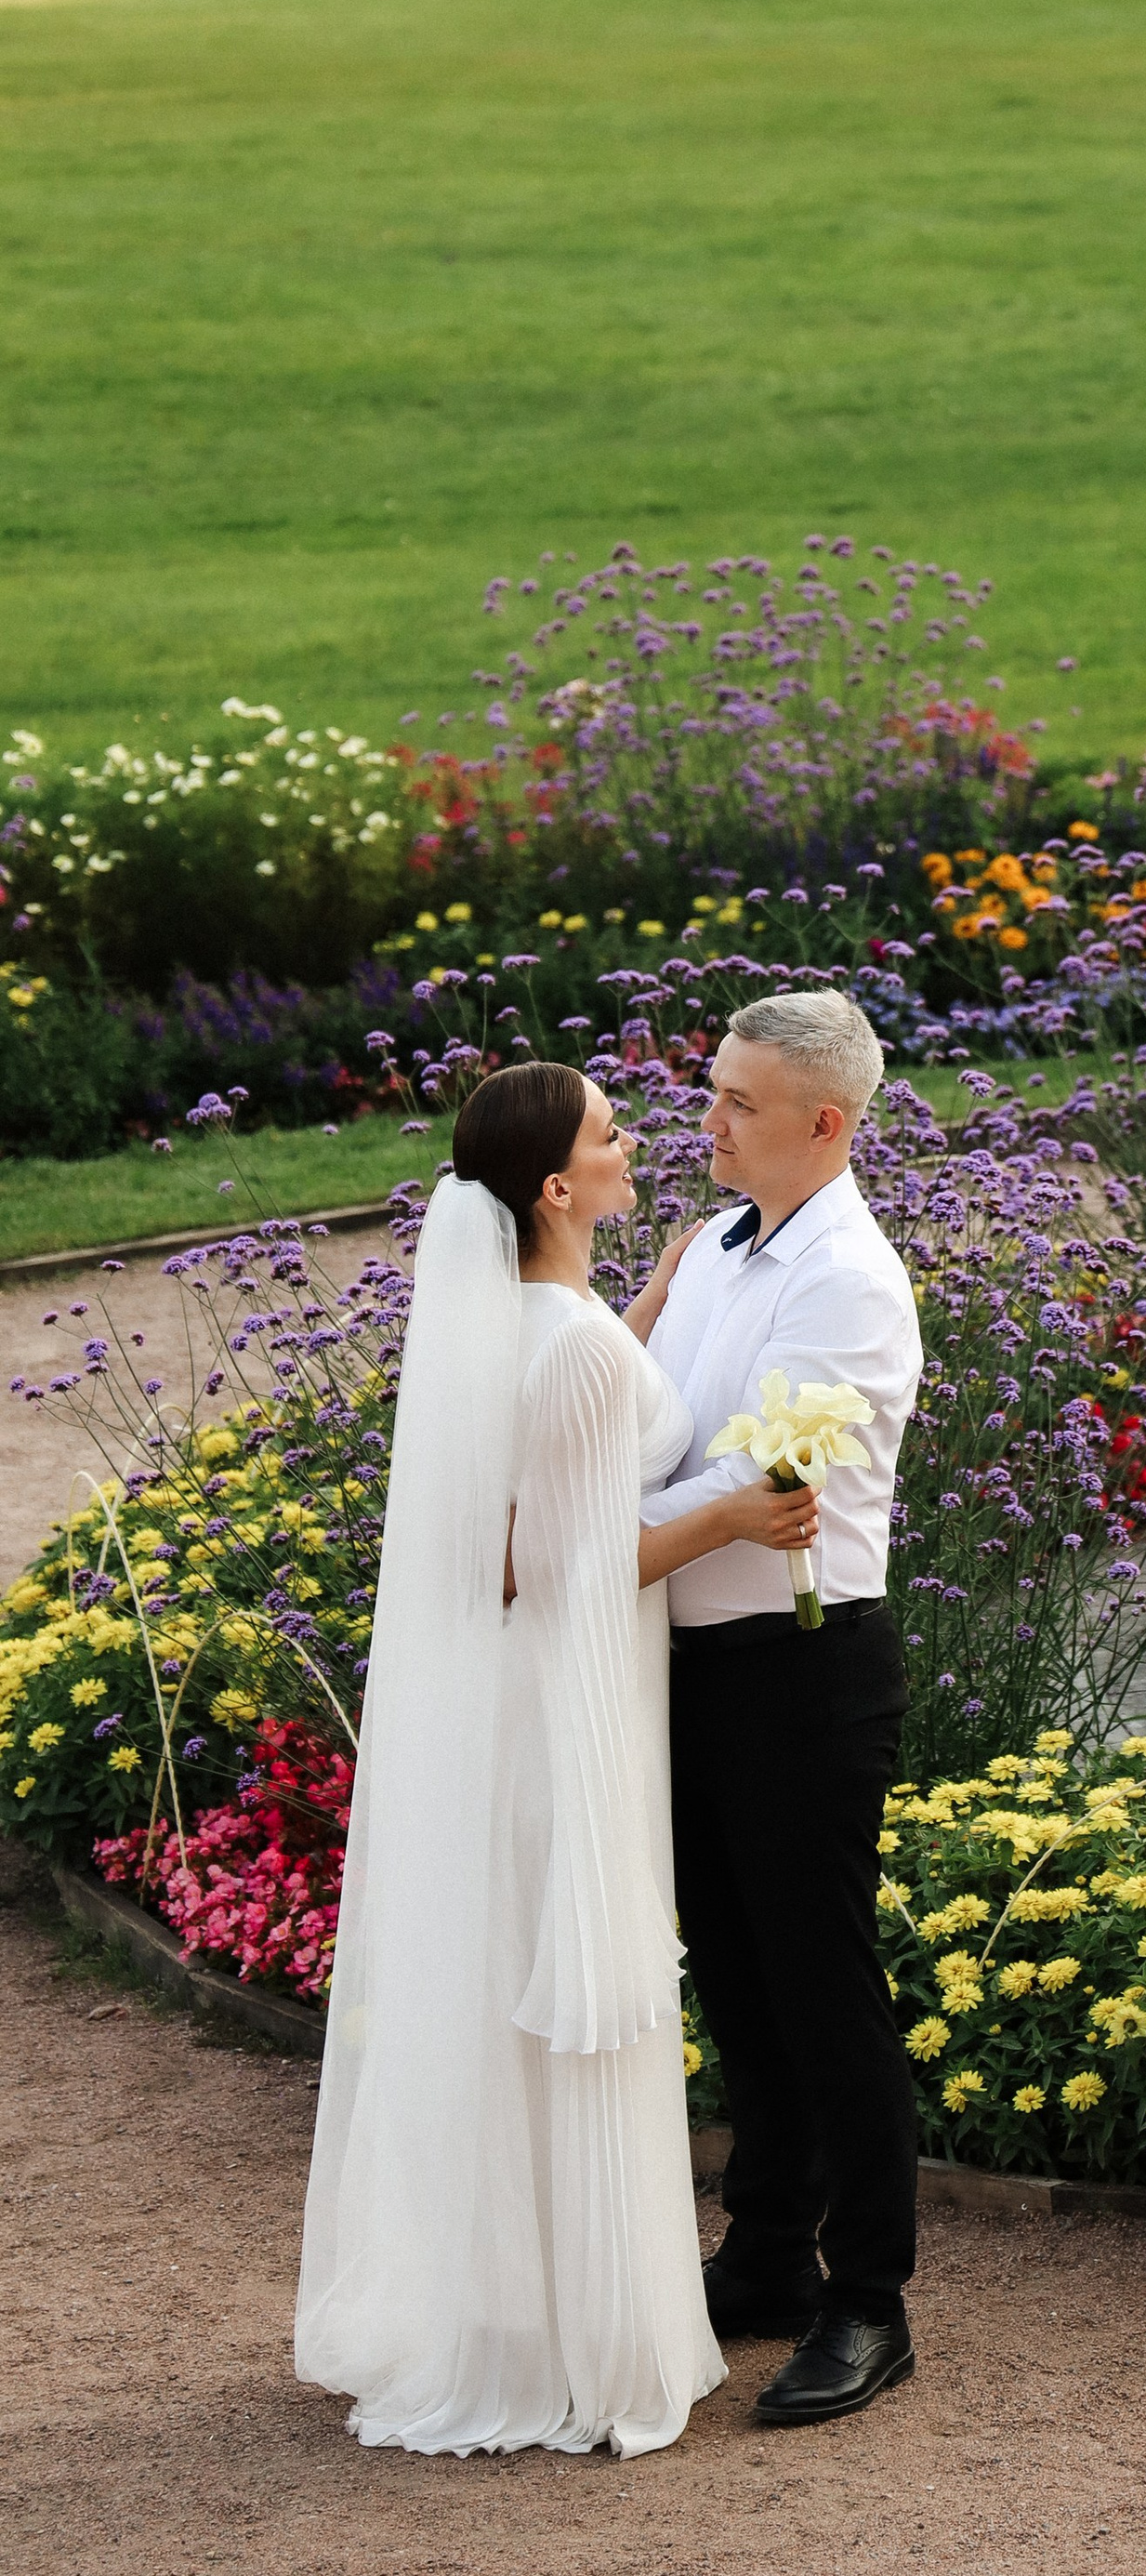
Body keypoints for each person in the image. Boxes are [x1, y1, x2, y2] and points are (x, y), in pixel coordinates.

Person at [295, 1062, 813, 2458]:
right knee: (569, 2003)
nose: (632, 1138)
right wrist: (733, 1522)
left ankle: (508, 2312)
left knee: (512, 1997)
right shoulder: (570, 1347)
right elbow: (560, 1565)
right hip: (570, 1711)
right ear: (553, 1186)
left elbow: (569, 1431)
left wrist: (640, 1308)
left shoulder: (538, 1326)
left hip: (515, 1719)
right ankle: (587, 2345)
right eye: (606, 1133)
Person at [633, 990, 924, 2429]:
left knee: (821, 1987)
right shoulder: (713, 1251)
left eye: (740, 1105)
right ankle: (765, 2257)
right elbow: (659, 1423)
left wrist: (593, 1531)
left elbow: (756, 1484)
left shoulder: (849, 1280)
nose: (711, 1122)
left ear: (827, 1122)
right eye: (712, 1092)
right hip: (690, 1665)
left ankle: (870, 2300)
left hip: (803, 1671)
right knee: (736, 1975)